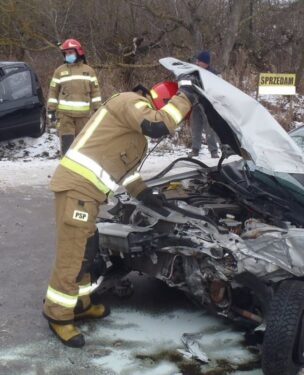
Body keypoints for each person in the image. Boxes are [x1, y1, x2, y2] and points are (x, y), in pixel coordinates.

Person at [42, 76, 198, 348]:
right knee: (72, 255)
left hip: (89, 195)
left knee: (86, 252)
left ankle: (80, 304)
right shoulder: (130, 102)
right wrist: (187, 95)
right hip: (77, 189)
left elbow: (125, 173)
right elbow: (158, 124)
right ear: (163, 100)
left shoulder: (135, 138)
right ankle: (57, 315)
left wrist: (146, 195)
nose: (174, 127)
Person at [47, 38, 102, 155]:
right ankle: (66, 170)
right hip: (65, 116)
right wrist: (51, 109)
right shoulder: (59, 71)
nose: (68, 55)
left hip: (83, 116)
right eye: (66, 53)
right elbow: (53, 91)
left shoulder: (89, 71)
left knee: (82, 146)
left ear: (78, 52)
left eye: (70, 53)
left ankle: (81, 170)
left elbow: (95, 92)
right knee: (67, 145)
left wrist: (98, 108)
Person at [189, 50, 221, 158]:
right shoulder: (193, 72)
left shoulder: (214, 74)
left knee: (210, 128)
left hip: (208, 105)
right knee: (195, 126)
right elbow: (186, 84)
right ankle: (195, 149)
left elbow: (219, 89)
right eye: (197, 61)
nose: (197, 63)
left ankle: (213, 151)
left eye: (199, 61)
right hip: (195, 102)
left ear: (205, 63)